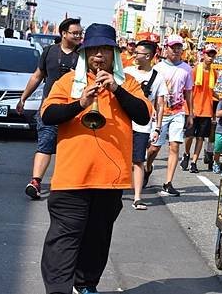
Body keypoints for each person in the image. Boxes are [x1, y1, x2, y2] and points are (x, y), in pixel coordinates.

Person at [39, 23, 151, 294]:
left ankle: (86, 285)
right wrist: (79, 103)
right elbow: (48, 114)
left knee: (97, 239)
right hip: (71, 179)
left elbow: (143, 115)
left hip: (109, 181)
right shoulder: (68, 81)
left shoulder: (129, 83)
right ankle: (58, 290)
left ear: (114, 54)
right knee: (64, 240)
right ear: (85, 53)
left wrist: (117, 90)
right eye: (93, 50)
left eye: (105, 50)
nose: (99, 56)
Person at [17, 17, 82, 199]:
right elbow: (37, 76)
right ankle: (36, 181)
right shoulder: (49, 52)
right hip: (49, 108)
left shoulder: (83, 55)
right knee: (45, 144)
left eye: (80, 33)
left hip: (75, 110)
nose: (78, 36)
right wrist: (23, 98)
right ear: (63, 33)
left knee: (70, 148)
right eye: (74, 33)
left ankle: (66, 183)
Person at [144, 35, 193, 196]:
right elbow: (151, 92)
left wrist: (190, 114)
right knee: (154, 148)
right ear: (166, 48)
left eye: (179, 47)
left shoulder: (186, 69)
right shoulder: (157, 68)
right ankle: (148, 167)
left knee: (174, 145)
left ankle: (168, 182)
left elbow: (188, 93)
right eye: (173, 47)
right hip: (160, 113)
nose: (176, 50)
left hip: (178, 111)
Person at [123, 40, 168, 210]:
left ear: (148, 56)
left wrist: (157, 127)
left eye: (138, 53)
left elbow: (161, 104)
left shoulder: (157, 78)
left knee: (138, 160)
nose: (134, 55)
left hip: (143, 124)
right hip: (123, 121)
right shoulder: (126, 72)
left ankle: (137, 197)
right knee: (121, 157)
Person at [181, 43, 219, 173]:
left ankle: (194, 162)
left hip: (206, 110)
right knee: (189, 136)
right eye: (209, 54)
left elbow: (210, 91)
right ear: (204, 55)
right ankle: (186, 154)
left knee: (201, 137)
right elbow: (189, 90)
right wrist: (191, 109)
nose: (210, 57)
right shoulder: (194, 70)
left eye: (213, 55)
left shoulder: (215, 73)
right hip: (193, 109)